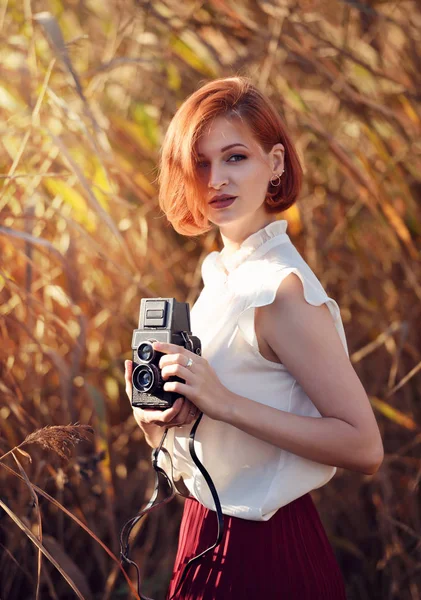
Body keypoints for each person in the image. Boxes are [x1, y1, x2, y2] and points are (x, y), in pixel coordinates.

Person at [124, 76, 384, 599]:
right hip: (202, 531)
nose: (216, 178)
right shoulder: (224, 274)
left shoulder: (279, 289)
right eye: (201, 163)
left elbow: (364, 446)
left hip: (264, 548)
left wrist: (224, 402)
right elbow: (211, 432)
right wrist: (154, 417)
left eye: (235, 157)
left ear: (277, 164)